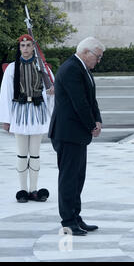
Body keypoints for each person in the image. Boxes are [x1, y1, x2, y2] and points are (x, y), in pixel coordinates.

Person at [48, 37, 104, 236]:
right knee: (69, 179)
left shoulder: (84, 69)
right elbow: (78, 102)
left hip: (77, 133)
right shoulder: (71, 68)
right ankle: (68, 221)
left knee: (78, 178)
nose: (98, 61)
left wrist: (97, 121)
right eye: (97, 57)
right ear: (86, 52)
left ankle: (76, 216)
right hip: (67, 133)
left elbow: (91, 99)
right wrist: (91, 126)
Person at [0, 34, 54, 203]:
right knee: (22, 154)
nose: (26, 49)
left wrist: (51, 92)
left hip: (37, 112)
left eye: (29, 45)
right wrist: (7, 119)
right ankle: (22, 190)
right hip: (20, 112)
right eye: (23, 46)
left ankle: (33, 189)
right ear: (19, 48)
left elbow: (51, 90)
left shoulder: (43, 68)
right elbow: (6, 94)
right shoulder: (13, 68)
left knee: (34, 154)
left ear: (33, 47)